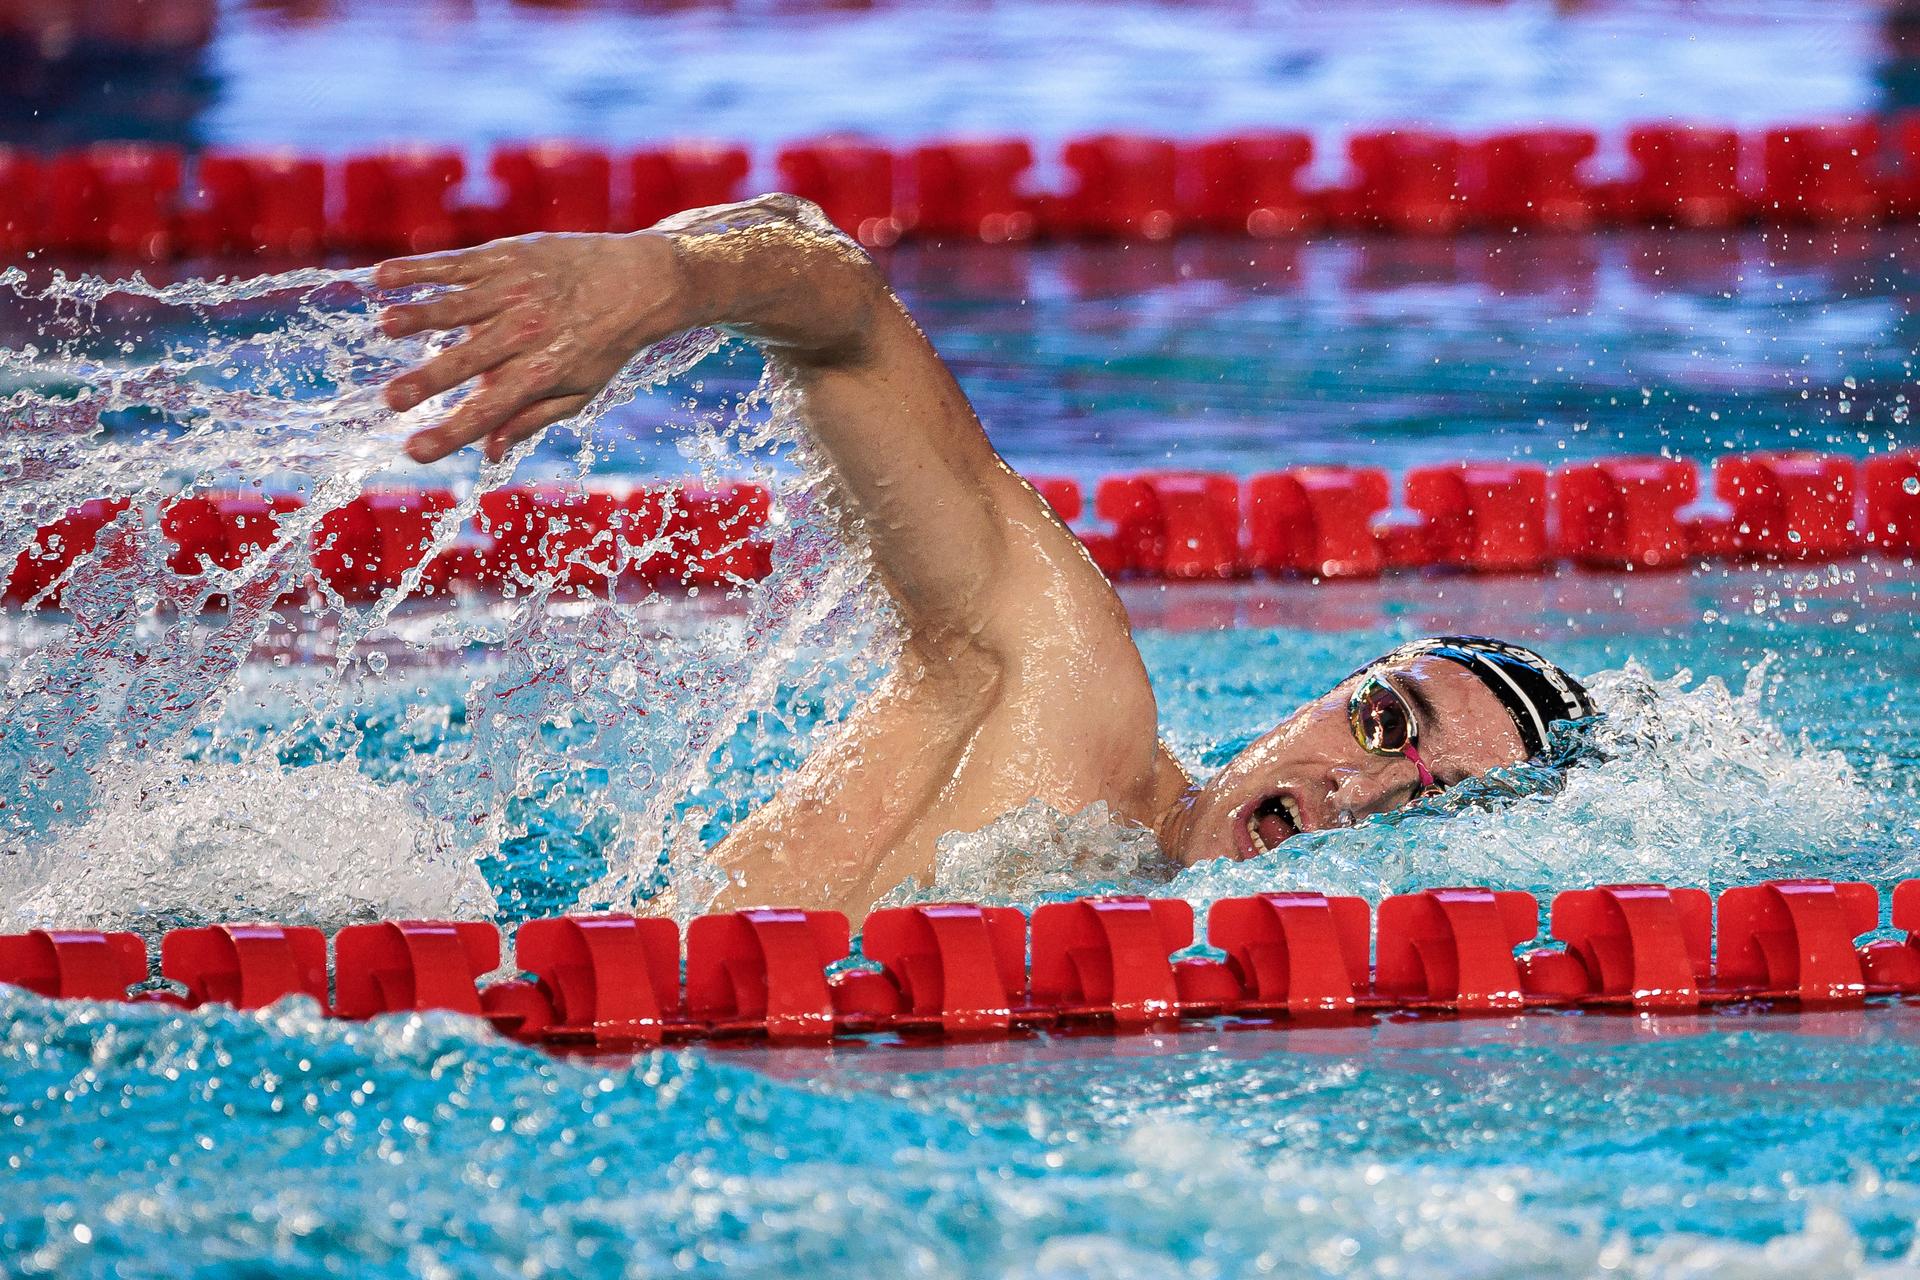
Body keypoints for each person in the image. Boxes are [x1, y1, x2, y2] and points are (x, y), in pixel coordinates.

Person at [375, 194, 1596, 920]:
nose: (1356, 791)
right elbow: (838, 296)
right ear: (1310, 704)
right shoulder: (1065, 704)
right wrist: (667, 279)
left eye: (1439, 798)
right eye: (1385, 724)